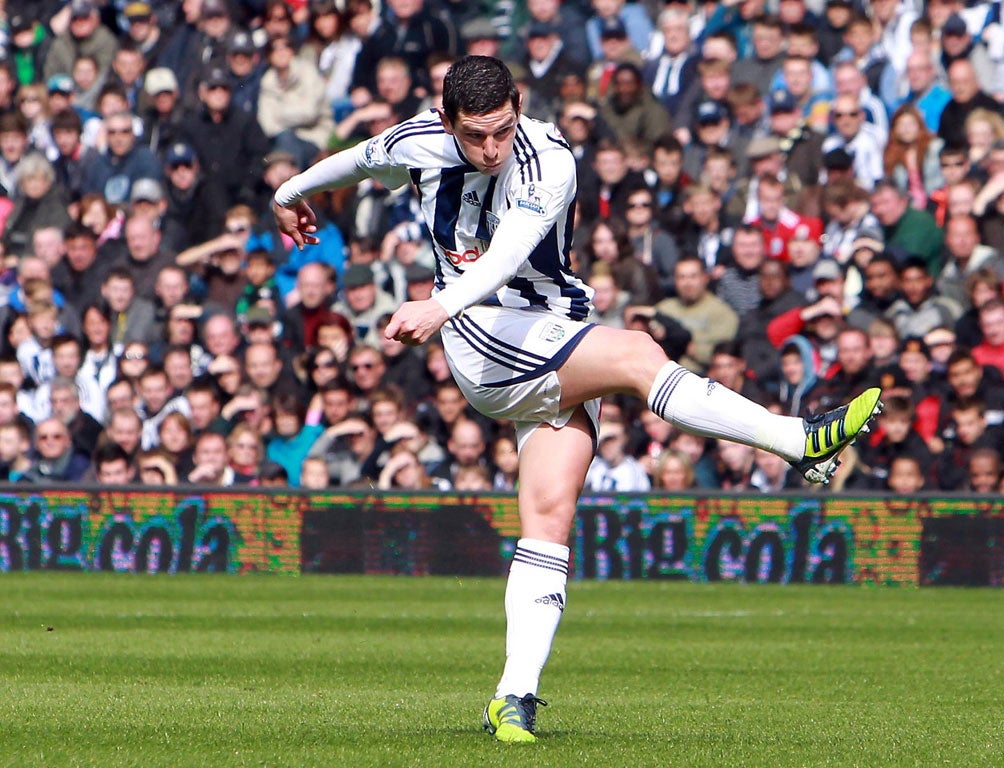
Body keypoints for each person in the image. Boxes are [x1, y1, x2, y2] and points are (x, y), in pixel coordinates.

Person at [272, 55, 883, 744]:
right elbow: (357, 159)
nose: (491, 148)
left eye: (501, 130)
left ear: (519, 105)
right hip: (485, 339)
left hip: (546, 333)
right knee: (635, 355)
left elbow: (508, 253)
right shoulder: (421, 140)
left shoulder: (549, 159)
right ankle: (800, 443)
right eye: (476, 136)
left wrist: (436, 304)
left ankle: (512, 698)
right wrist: (290, 190)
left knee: (549, 520)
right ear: (448, 122)